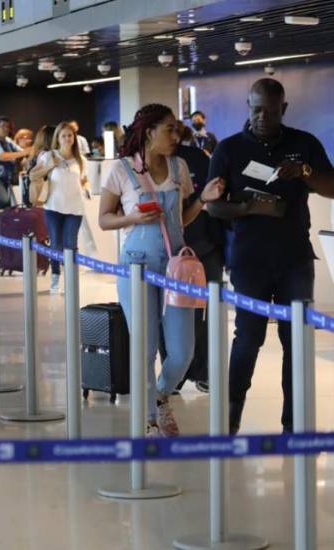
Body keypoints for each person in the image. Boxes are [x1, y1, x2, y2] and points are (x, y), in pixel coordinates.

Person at [208, 79, 334, 434]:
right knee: (248, 339)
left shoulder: (303, 144)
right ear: (248, 107)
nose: (262, 117)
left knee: (296, 342)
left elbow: (332, 186)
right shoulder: (229, 149)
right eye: (256, 110)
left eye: (271, 111)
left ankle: (293, 425)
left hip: (295, 259)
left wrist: (306, 172)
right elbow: (213, 205)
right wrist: (246, 207)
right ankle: (230, 418)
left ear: (284, 109)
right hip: (249, 260)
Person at [98, 104, 224, 437]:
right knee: (145, 346)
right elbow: (104, 219)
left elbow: (179, 220)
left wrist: (203, 200)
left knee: (183, 352)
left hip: (176, 267)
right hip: (136, 265)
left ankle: (159, 395)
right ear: (149, 130)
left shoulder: (179, 166)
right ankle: (147, 419)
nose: (176, 134)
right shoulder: (121, 170)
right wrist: (132, 218)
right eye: (169, 128)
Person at [159, 120, 221, 394]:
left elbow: (209, 199)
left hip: (203, 247)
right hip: (167, 250)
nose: (173, 136)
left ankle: (203, 371)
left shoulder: (196, 158)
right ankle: (174, 374)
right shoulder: (146, 163)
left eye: (174, 130)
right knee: (168, 312)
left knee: (203, 314)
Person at [30, 122, 90, 292]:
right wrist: (51, 165)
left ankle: (71, 278)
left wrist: (87, 189)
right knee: (56, 243)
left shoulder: (81, 159)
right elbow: (33, 174)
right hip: (53, 206)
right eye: (63, 135)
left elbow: (84, 179)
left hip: (75, 207)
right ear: (57, 138)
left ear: (74, 138)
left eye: (70, 135)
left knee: (71, 243)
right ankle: (55, 277)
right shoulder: (49, 156)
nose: (67, 139)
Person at [0, 115, 30, 206]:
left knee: (9, 204)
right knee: (2, 200)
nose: (5, 129)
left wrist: (26, 157)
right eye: (2, 126)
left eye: (7, 126)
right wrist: (25, 153)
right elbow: (2, 156)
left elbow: (20, 152)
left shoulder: (7, 140)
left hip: (6, 179)